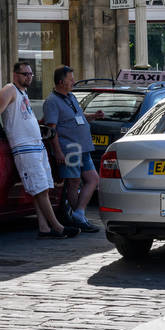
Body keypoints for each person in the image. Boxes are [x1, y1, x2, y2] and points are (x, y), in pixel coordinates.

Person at [0, 61, 79, 239]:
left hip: (36, 144)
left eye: (31, 74)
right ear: (15, 74)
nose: (29, 77)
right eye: (25, 74)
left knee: (43, 187)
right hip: (24, 147)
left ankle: (43, 227)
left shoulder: (23, 92)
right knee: (39, 188)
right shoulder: (9, 89)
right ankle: (57, 227)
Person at [42, 65, 101, 233]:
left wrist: (93, 117)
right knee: (74, 182)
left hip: (83, 148)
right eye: (71, 79)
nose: (74, 82)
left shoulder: (71, 96)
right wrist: (58, 151)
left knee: (93, 179)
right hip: (70, 149)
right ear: (61, 82)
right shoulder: (52, 102)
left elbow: (77, 117)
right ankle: (78, 218)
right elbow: (51, 128)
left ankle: (79, 213)